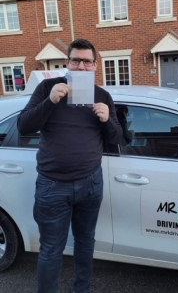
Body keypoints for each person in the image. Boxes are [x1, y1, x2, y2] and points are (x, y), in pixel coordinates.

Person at [17, 38, 123, 293]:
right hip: (53, 186)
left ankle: (81, 290)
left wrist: (107, 119)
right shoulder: (48, 88)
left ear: (95, 65)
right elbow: (23, 127)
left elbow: (116, 138)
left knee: (86, 242)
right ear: (67, 63)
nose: (81, 67)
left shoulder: (103, 96)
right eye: (75, 60)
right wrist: (50, 101)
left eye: (87, 61)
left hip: (90, 183)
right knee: (52, 248)